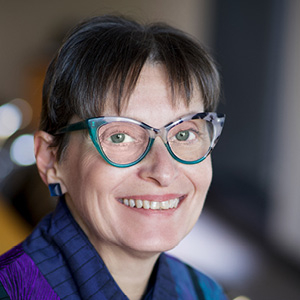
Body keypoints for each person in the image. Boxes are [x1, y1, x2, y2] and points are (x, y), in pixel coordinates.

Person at [0, 15, 227, 299]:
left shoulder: (204, 292)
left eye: (184, 134)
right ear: (50, 159)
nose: (164, 171)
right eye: (119, 136)